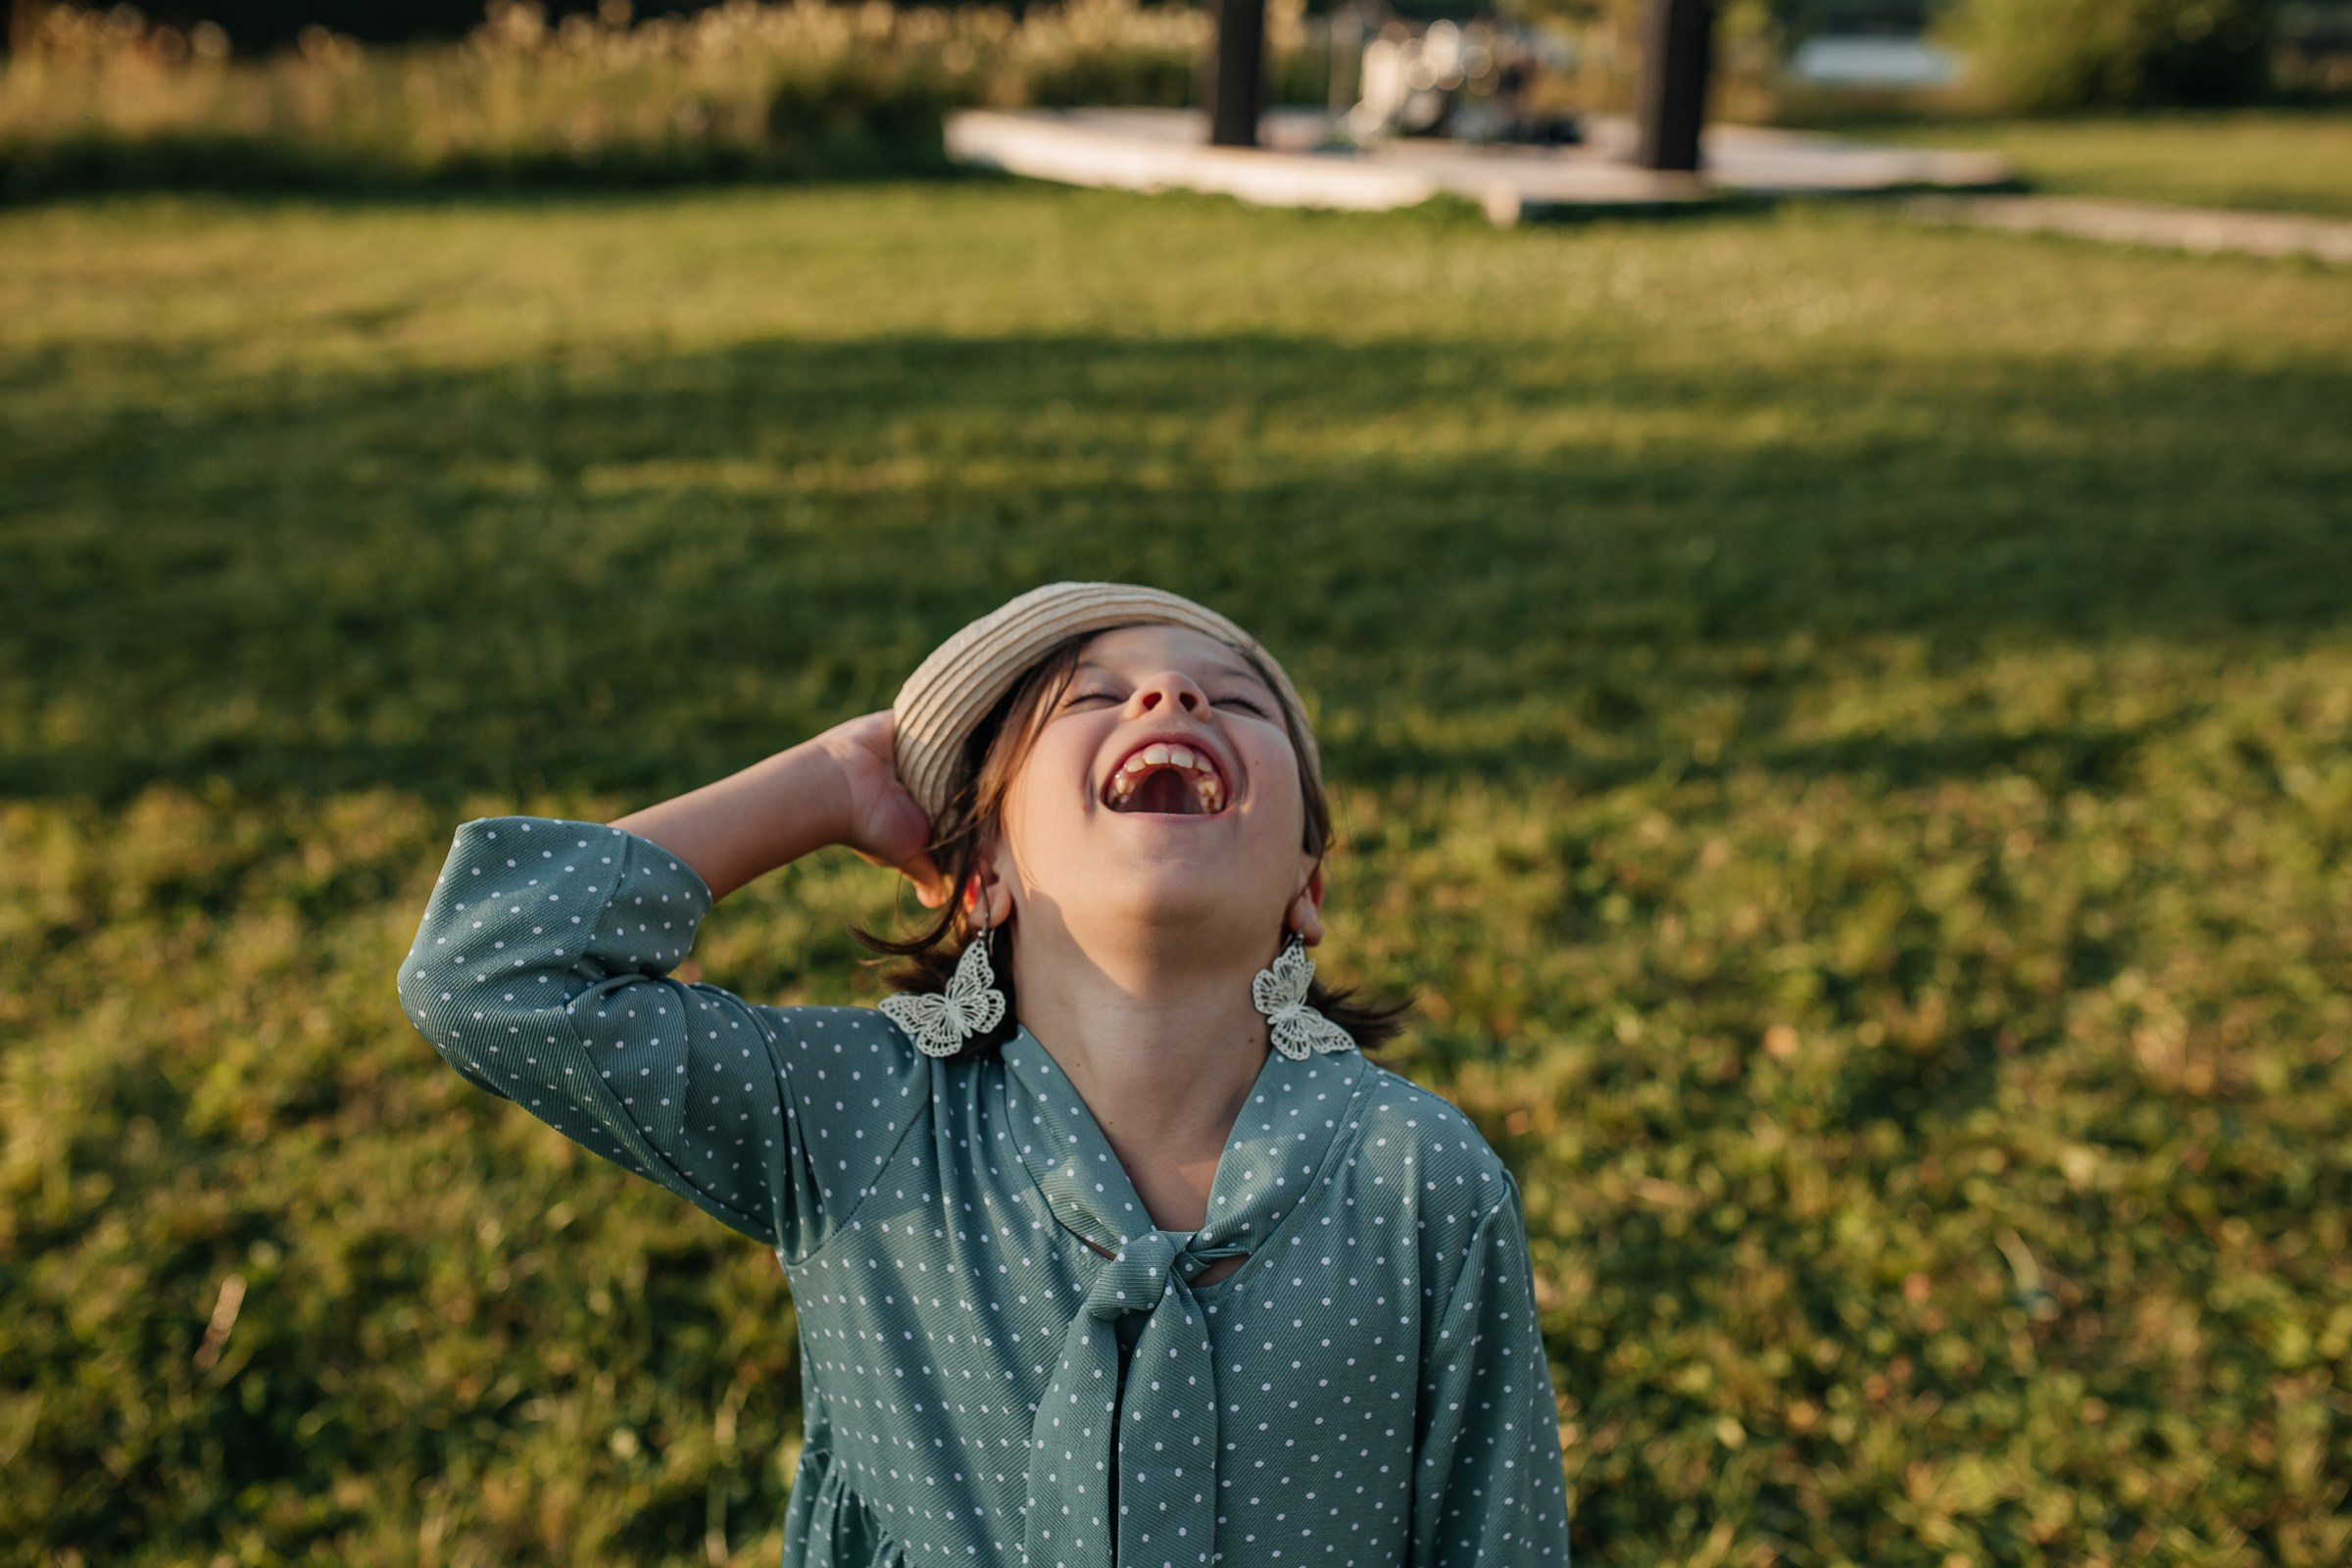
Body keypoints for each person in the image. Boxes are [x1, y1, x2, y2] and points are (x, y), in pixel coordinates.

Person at [397, 581, 1572, 1568]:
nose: (1171, 696)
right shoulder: (860, 1114)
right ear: (981, 873)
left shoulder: (1421, 1178)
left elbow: (1498, 1534)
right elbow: (491, 971)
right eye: (1097, 697)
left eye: (1240, 700)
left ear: (1307, 887)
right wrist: (827, 782)